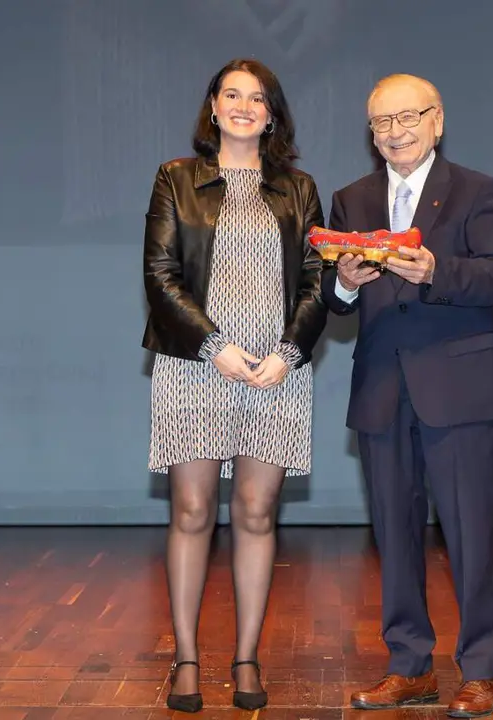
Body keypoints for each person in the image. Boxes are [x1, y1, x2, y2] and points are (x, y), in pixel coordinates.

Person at [322, 74, 493, 718]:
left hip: (459, 387)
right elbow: (333, 301)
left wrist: (437, 269)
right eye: (381, 122)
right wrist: (346, 284)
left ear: (438, 119)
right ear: (370, 132)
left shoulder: (475, 189)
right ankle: (409, 667)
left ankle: (480, 670)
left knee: (470, 535)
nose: (395, 131)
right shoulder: (351, 198)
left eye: (408, 117)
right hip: (381, 388)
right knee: (395, 537)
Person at [140, 57, 327, 713]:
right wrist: (215, 346)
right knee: (191, 513)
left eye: (257, 98)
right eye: (231, 94)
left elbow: (317, 283)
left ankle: (246, 656)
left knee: (254, 514)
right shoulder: (176, 179)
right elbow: (160, 276)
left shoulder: (299, 189)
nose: (244, 106)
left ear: (272, 114)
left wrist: (288, 352)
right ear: (213, 107)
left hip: (275, 372)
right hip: (195, 366)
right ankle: (186, 657)